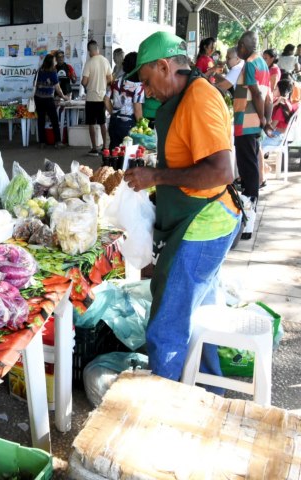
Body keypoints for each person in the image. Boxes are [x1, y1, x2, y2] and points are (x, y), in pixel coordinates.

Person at [123, 31, 241, 390]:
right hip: (198, 218)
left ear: (164, 66)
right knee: (196, 319)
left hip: (204, 223)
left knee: (166, 327)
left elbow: (222, 171)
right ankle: (210, 396)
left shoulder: (200, 98)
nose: (146, 91)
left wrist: (156, 176)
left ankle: (166, 417)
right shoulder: (185, 95)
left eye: (147, 81)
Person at [233, 31, 273, 240]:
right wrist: (265, 120)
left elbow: (257, 93)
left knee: (248, 172)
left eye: (238, 46)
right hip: (254, 125)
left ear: (242, 46)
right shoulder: (263, 65)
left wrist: (263, 120)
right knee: (252, 170)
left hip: (245, 125)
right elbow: (269, 98)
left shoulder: (249, 64)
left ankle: (248, 221)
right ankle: (250, 216)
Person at [104, 52, 144, 150]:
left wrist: (113, 113)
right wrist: (142, 127)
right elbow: (137, 109)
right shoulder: (138, 85)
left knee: (113, 152)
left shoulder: (116, 81)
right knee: (127, 154)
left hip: (114, 122)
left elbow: (106, 99)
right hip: (128, 125)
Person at [81, 40, 113, 155]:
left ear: (90, 50)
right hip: (102, 98)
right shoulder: (105, 61)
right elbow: (110, 79)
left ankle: (94, 148)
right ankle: (105, 147)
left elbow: (84, 81)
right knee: (102, 123)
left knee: (91, 124)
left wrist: (87, 83)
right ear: (98, 49)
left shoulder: (89, 63)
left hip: (91, 98)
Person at [35, 54, 70, 149]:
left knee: (41, 120)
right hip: (48, 99)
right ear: (51, 62)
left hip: (38, 98)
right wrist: (64, 96)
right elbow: (58, 88)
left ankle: (42, 142)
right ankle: (58, 142)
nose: (56, 62)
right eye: (54, 61)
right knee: (54, 120)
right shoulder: (52, 72)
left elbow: (35, 84)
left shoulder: (39, 71)